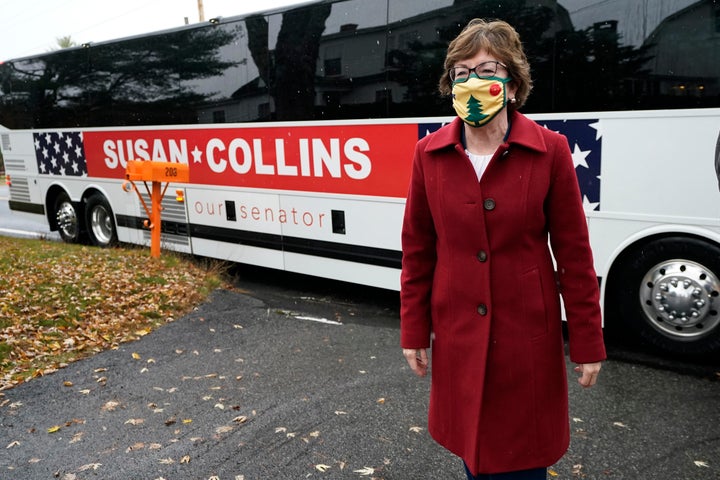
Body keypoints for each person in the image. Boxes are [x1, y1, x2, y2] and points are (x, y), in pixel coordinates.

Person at [400, 18, 606, 480]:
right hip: (458, 339)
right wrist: (413, 331)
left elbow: (574, 256)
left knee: (522, 460)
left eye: (488, 69)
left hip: (525, 342)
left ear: (512, 85)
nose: (473, 82)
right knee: (473, 454)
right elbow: (417, 251)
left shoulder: (551, 151)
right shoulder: (427, 154)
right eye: (461, 72)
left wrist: (588, 341)